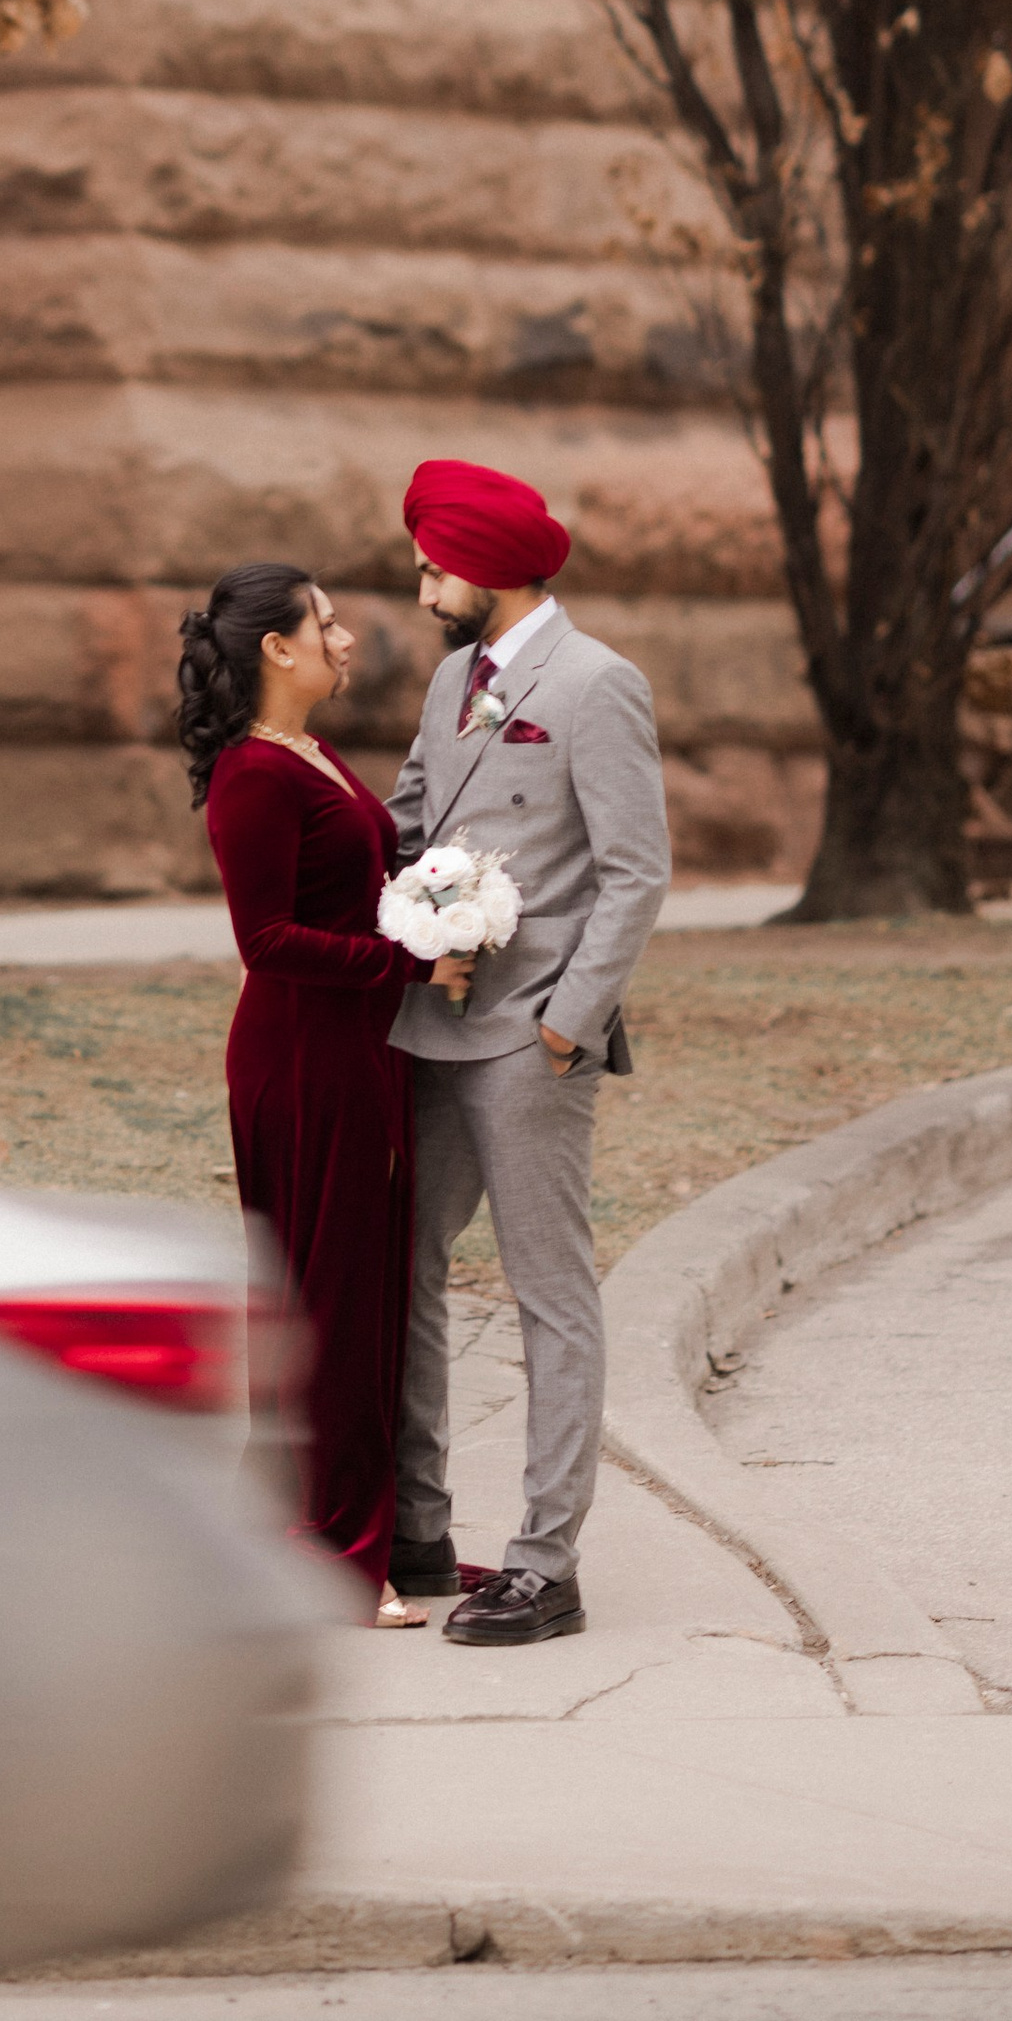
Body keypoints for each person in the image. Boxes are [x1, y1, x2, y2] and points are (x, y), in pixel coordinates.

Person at [386, 458, 672, 1645]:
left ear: (485, 567)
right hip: (435, 1021)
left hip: (531, 1034)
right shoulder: (453, 677)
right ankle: (418, 1526)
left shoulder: (598, 681)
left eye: (433, 567)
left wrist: (569, 1021)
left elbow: (635, 870)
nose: (421, 590)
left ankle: (545, 1565)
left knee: (547, 1289)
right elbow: (409, 821)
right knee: (403, 1266)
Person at [182, 562, 473, 1621]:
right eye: (328, 623)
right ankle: (329, 1553)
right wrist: (410, 963)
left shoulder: (308, 752)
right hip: (303, 1062)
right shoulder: (254, 774)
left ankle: (347, 1533)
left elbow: (352, 891)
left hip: (357, 1051)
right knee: (328, 1308)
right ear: (277, 647)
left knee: (352, 1299)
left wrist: (442, 903)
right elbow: (265, 942)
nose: (347, 640)